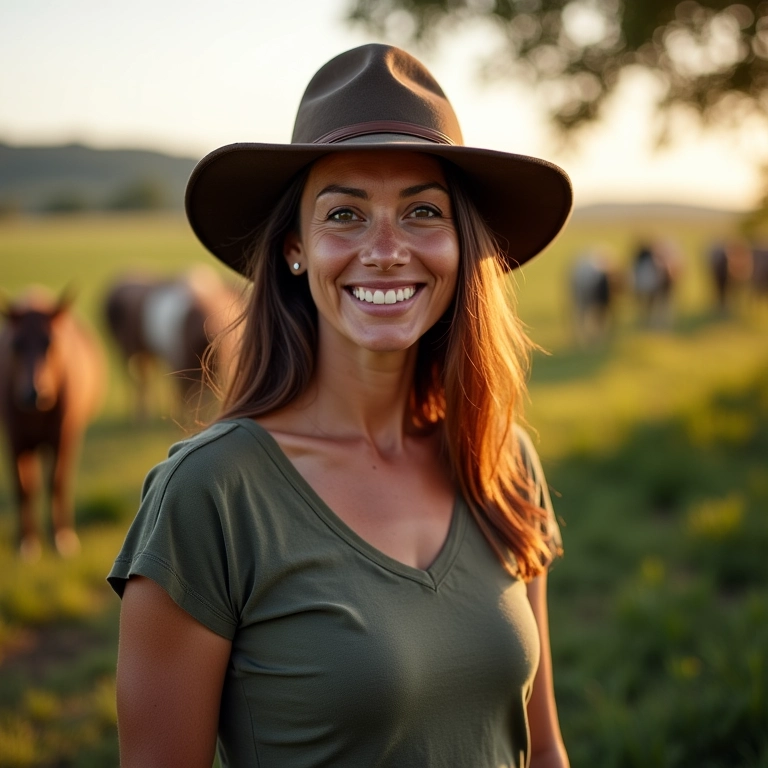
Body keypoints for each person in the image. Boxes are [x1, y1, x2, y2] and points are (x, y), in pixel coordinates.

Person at [109, 43, 573, 768]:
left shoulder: (501, 457)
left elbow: (543, 752)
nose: (386, 250)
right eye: (346, 214)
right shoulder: (210, 497)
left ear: (460, 243)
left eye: (422, 211)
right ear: (296, 248)